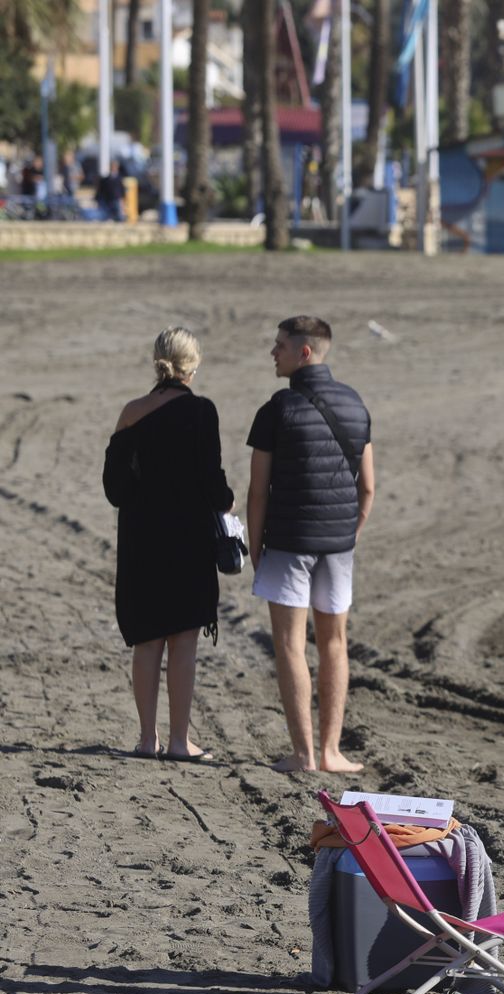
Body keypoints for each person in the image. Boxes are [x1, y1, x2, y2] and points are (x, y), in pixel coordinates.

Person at [247, 317, 375, 774]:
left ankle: (303, 755)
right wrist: (349, 535)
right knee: (335, 643)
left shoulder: (276, 409)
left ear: (304, 352)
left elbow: (257, 492)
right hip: (337, 545)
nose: (273, 353)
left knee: (289, 644)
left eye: (280, 345)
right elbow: (368, 487)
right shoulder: (355, 404)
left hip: (288, 541)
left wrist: (256, 548)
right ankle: (332, 752)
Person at [102, 328, 234, 760]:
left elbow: (114, 489)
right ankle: (179, 741)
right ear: (193, 367)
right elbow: (213, 483)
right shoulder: (201, 411)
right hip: (188, 540)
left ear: (157, 361)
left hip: (141, 540)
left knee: (147, 642)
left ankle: (147, 740)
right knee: (183, 642)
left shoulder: (131, 412)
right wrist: (227, 503)